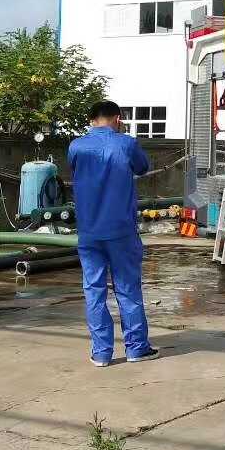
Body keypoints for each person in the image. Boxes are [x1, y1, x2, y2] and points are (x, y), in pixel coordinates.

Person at [67, 100, 159, 366]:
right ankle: (136, 349)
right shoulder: (126, 144)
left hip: (89, 231)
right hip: (121, 230)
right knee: (127, 288)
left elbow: (76, 169)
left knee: (94, 290)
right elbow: (142, 167)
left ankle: (101, 353)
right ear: (118, 119)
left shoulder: (76, 146)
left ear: (91, 120)